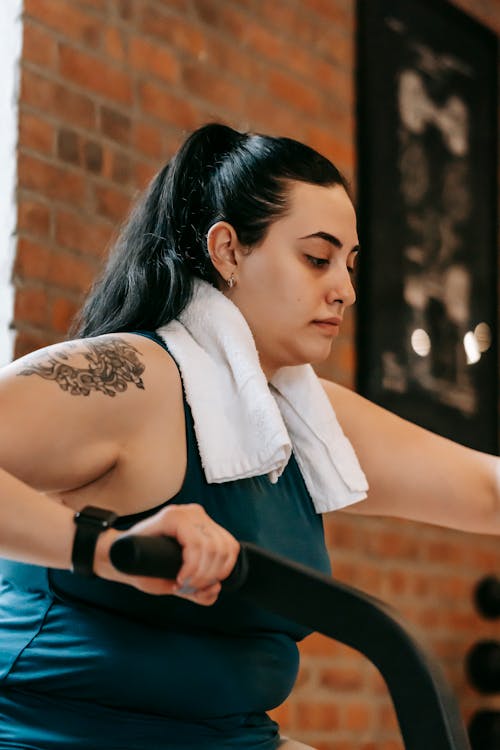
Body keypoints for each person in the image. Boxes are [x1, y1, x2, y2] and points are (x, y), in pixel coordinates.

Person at [0, 122, 497, 750]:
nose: (344, 289)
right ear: (229, 251)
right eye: (317, 258)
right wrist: (109, 549)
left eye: (348, 263)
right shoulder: (131, 377)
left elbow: (487, 490)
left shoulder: (300, 420)